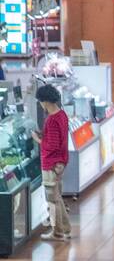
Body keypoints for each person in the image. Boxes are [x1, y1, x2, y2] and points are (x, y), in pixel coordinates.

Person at [33, 84, 71, 240]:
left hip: (51, 163)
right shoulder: (62, 115)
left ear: (45, 101)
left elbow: (52, 145)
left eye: (40, 102)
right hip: (60, 163)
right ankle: (65, 229)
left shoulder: (51, 120)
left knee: (52, 199)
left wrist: (38, 139)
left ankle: (57, 232)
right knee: (57, 197)